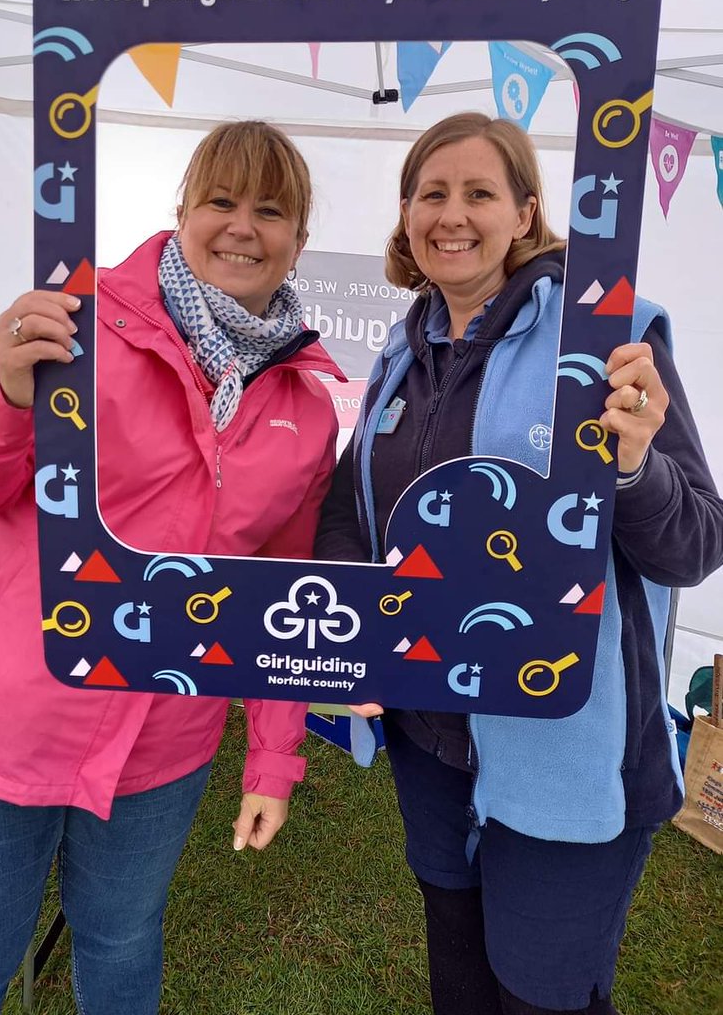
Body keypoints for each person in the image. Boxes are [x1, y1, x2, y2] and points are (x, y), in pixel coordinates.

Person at [0, 120, 343, 1015]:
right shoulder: (71, 321)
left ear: (299, 237)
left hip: (163, 747)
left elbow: (285, 603)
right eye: (220, 200)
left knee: (123, 946)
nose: (242, 226)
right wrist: (7, 399)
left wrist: (273, 759)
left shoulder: (306, 408)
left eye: (271, 209)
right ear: (182, 211)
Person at [315, 112, 723, 1015]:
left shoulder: (610, 338)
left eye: (479, 193)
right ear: (406, 215)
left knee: (541, 994)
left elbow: (696, 542)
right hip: (429, 741)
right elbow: (353, 510)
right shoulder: (403, 350)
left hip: (567, 748)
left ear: (526, 210)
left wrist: (633, 467)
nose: (451, 214)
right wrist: (347, 640)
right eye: (431, 193)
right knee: (458, 978)